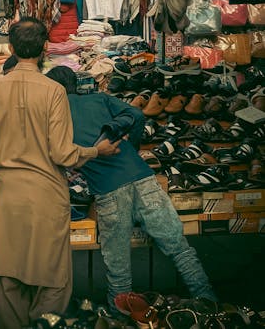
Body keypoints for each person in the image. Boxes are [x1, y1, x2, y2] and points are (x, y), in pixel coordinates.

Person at [0, 17, 119, 329]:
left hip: (7, 198)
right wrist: (96, 150)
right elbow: (63, 153)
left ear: (11, 48)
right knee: (52, 280)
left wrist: (7, 166)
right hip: (46, 198)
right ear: (44, 48)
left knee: (8, 279)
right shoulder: (54, 91)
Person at [45, 65, 217, 313]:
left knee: (119, 268)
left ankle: (119, 318)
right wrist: (132, 147)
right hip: (143, 178)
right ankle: (209, 304)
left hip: (109, 191)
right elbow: (136, 116)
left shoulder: (55, 115)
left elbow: (59, 155)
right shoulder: (99, 98)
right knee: (180, 249)